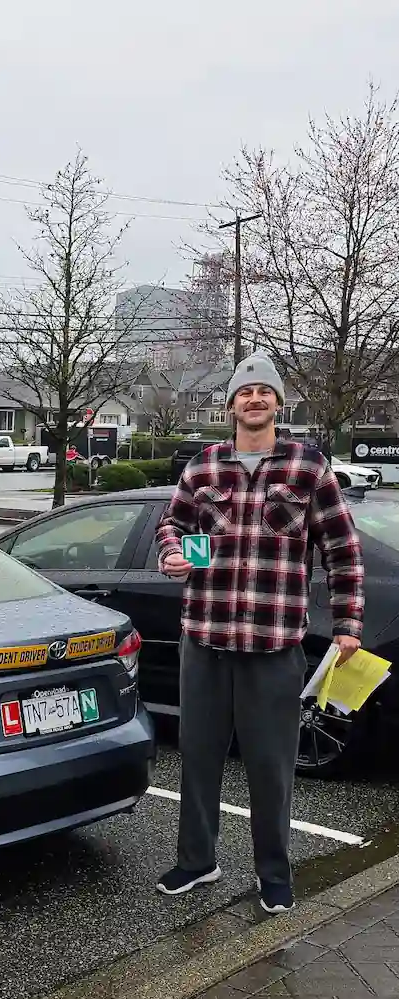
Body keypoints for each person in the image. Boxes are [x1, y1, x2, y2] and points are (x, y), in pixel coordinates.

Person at [154, 352, 364, 913]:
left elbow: (342, 550)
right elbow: (172, 524)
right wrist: (175, 552)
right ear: (229, 406)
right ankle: (198, 861)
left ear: (278, 403)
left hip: (275, 644)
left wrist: (347, 625)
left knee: (272, 765)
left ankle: (274, 872)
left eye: (264, 392)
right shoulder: (202, 468)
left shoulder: (306, 467)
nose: (254, 399)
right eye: (244, 393)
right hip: (204, 638)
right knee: (197, 757)